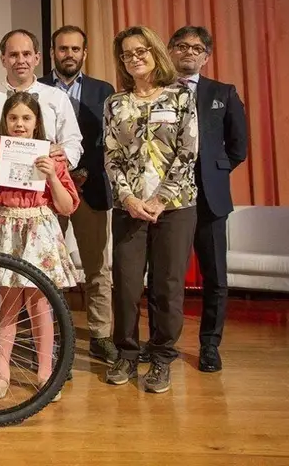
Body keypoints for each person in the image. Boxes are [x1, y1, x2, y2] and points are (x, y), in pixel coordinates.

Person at [104, 25, 198, 395]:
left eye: (140, 51)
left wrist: (160, 200)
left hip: (175, 208)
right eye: (127, 54)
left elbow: (187, 152)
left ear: (155, 52)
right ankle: (126, 354)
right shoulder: (115, 103)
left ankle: (161, 358)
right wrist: (129, 198)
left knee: (167, 287)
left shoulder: (181, 96)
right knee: (126, 286)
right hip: (128, 208)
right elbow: (111, 156)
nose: (134, 58)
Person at [0, 92, 79, 401]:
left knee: (40, 304)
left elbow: (67, 206)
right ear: (5, 121)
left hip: (39, 230)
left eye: (26, 118)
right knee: (6, 305)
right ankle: (2, 372)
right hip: (5, 226)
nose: (19, 124)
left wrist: (51, 176)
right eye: (13, 118)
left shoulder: (52, 157)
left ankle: (45, 373)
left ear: (36, 122)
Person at [168, 25, 247, 373]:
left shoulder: (223, 92)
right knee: (165, 277)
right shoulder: (158, 90)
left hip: (209, 199)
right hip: (168, 199)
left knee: (215, 276)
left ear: (206, 57)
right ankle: (162, 343)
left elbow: (238, 147)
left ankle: (210, 345)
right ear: (171, 51)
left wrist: (213, 172)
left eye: (197, 48)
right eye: (182, 46)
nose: (189, 52)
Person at [39, 25, 119, 365]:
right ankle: (54, 337)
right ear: (53, 52)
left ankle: (101, 336)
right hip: (49, 191)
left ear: (84, 53)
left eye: (75, 49)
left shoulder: (104, 90)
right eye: (62, 49)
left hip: (92, 190)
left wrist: (83, 172)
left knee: (98, 266)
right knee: (48, 267)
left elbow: (107, 141)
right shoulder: (37, 88)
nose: (68, 54)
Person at [0, 29, 83, 169]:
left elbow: (73, 142)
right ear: (3, 60)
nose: (20, 61)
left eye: (26, 54)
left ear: (37, 58)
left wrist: (64, 155)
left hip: (45, 178)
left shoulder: (57, 97)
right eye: (13, 55)